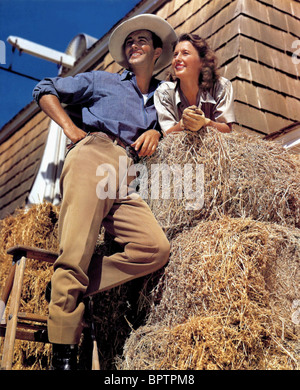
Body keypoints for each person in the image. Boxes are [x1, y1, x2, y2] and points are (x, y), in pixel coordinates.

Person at [32, 14, 177, 370]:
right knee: (77, 248)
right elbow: (44, 89)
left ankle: (67, 288)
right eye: (129, 42)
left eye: (142, 40)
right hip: (93, 153)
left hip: (125, 175)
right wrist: (72, 131)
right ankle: (63, 352)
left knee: (154, 249)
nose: (134, 45)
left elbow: (184, 125)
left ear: (157, 52)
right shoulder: (103, 81)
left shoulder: (164, 98)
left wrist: (157, 132)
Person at [154, 33, 235, 135]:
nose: (177, 59)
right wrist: (182, 124)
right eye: (175, 54)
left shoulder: (222, 86)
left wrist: (206, 122)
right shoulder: (164, 92)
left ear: (202, 61)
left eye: (185, 53)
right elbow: (166, 135)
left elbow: (227, 130)